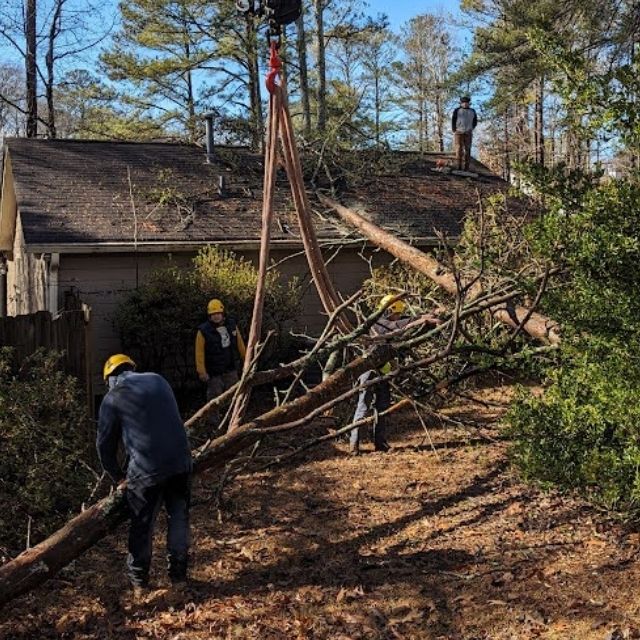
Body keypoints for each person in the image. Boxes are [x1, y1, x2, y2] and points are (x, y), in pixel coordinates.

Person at [96, 354, 192, 596]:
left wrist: (118, 476)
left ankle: (139, 582)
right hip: (181, 461)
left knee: (142, 525)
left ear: (109, 378)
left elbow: (104, 447)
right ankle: (179, 578)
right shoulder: (158, 380)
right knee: (178, 518)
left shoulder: (113, 397)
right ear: (132, 367)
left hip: (146, 469)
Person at [349, 295, 442, 456]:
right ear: (388, 311)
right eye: (396, 313)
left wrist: (430, 314)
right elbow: (398, 325)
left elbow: (406, 319)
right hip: (369, 372)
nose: (398, 316)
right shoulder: (377, 324)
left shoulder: (390, 320)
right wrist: (421, 320)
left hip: (384, 372)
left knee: (382, 409)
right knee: (363, 408)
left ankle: (380, 443)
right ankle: (354, 445)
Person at [195, 298, 246, 434]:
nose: (216, 316)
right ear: (209, 316)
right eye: (213, 314)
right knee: (214, 397)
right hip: (214, 371)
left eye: (218, 313)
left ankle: (234, 420)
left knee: (234, 394)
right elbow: (199, 352)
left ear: (223, 313)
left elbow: (240, 343)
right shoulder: (203, 331)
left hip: (230, 368)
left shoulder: (232, 325)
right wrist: (201, 371)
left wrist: (246, 358)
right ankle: (215, 425)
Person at [451, 96, 478, 172]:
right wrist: (454, 130)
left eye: (466, 103)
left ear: (469, 103)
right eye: (463, 103)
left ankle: (466, 168)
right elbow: (453, 120)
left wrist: (471, 128)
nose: (465, 104)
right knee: (459, 149)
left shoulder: (472, 111)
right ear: (461, 103)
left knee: (467, 150)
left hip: (468, 133)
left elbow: (475, 121)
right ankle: (458, 166)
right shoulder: (457, 110)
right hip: (458, 132)